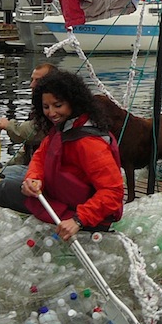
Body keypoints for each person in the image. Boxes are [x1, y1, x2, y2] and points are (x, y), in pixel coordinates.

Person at [19, 71, 124, 241]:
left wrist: (78, 220)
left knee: (5, 190)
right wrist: (33, 179)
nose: (51, 113)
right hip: (63, 204)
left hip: (85, 217)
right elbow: (40, 157)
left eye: (58, 105)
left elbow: (113, 191)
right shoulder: (62, 129)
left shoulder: (89, 143)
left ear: (73, 103)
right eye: (46, 107)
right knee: (11, 185)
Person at [0, 62, 58, 211]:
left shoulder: (54, 121)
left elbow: (30, 132)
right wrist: (5, 165)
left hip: (44, 178)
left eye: (37, 81)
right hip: (32, 169)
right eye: (32, 80)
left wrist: (8, 125)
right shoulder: (38, 110)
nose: (32, 85)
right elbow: (28, 148)